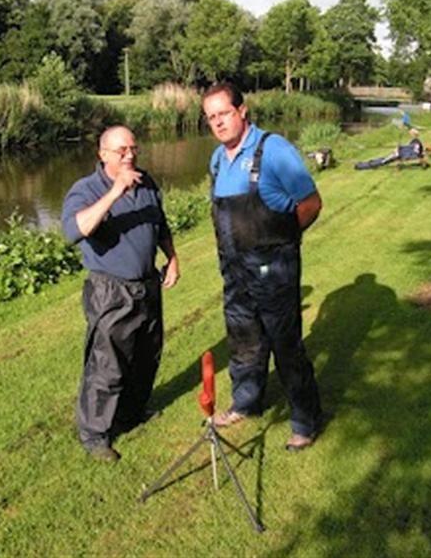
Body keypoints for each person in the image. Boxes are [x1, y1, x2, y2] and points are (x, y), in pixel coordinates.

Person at [202, 83, 323, 451]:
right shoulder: (217, 159)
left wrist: (283, 239)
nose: (218, 122)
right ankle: (246, 403)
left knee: (286, 345)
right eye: (211, 117)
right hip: (234, 268)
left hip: (274, 267)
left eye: (224, 113)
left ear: (242, 111)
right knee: (243, 338)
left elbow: (311, 203)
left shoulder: (274, 150)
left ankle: (305, 422)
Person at [62, 125, 179, 461]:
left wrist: (172, 258)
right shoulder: (85, 189)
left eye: (133, 148)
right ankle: (95, 435)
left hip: (148, 285)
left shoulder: (147, 182)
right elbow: (75, 230)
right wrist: (115, 192)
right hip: (110, 289)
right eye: (121, 150)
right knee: (107, 364)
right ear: (103, 155)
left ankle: (131, 413)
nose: (130, 155)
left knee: (146, 355)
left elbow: (160, 224)